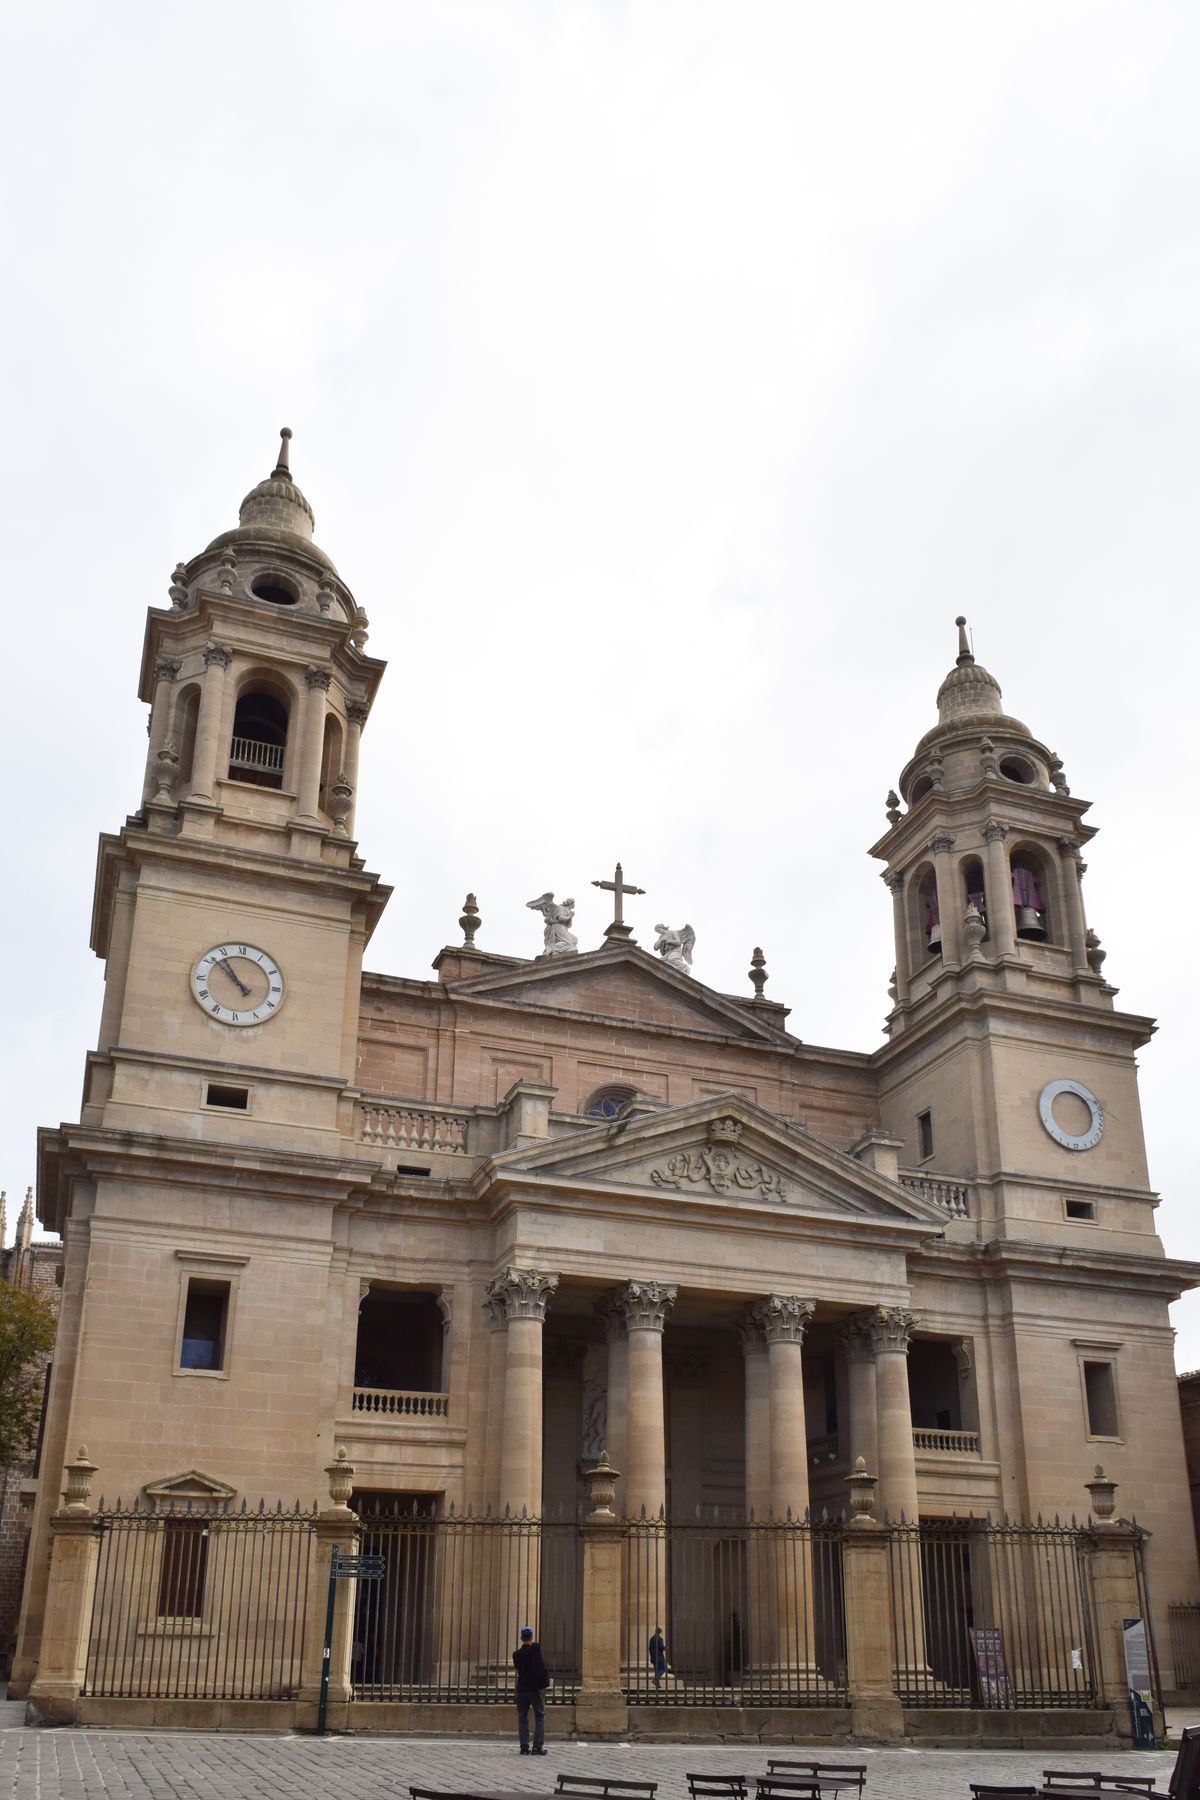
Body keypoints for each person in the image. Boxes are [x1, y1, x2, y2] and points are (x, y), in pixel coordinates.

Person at [512, 1624, 550, 1754]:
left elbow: (518, 1668)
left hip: (522, 1689)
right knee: (539, 1716)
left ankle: (524, 1747)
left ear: (521, 1638)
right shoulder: (535, 1649)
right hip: (534, 1689)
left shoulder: (516, 1655)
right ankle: (537, 1746)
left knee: (523, 1717)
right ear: (531, 1637)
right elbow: (541, 1663)